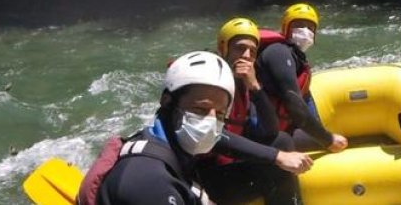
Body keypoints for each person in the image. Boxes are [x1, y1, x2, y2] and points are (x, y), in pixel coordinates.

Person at [79, 50, 310, 205]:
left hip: (190, 182)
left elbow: (227, 138)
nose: (209, 122)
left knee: (281, 143)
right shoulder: (151, 183)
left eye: (219, 114)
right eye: (200, 109)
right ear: (167, 101)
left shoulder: (163, 139)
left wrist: (276, 156)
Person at [197, 17, 313, 205]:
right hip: (204, 174)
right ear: (223, 48)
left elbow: (271, 131)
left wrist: (255, 87)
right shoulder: (208, 82)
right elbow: (212, 135)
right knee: (276, 168)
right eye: (239, 48)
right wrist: (277, 157)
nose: (246, 55)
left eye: (252, 51)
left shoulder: (245, 84)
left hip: (228, 163)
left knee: (282, 139)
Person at [255, 2, 348, 153]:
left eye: (310, 28)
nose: (305, 31)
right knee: (326, 143)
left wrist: (322, 133)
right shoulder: (278, 53)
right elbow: (295, 106)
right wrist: (328, 140)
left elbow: (304, 100)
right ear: (285, 28)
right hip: (262, 133)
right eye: (298, 25)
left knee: (323, 137)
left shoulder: (297, 59)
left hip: (280, 125)